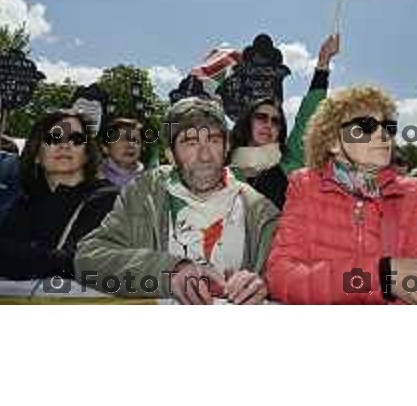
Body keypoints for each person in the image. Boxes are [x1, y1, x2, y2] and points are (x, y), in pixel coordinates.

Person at [75, 97, 279, 305]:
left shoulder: (261, 212)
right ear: (171, 155)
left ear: (226, 149)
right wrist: (168, 272)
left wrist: (264, 286)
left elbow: (284, 277)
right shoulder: (144, 195)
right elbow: (88, 260)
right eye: (191, 142)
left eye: (214, 140)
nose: (205, 156)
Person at [266, 86, 417, 305]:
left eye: (388, 127)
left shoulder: (415, 194)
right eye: (366, 126)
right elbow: (281, 278)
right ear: (333, 142)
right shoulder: (304, 186)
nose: (382, 134)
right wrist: (378, 275)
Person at [0, 110, 118, 280]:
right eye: (53, 138)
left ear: (86, 154)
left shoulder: (109, 199)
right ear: (36, 155)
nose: (65, 145)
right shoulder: (24, 202)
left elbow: (78, 262)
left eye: (76, 139)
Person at [228, 34, 340, 209]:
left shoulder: (290, 162)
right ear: (246, 122)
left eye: (275, 121)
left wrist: (323, 63)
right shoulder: (224, 173)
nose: (269, 125)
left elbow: (308, 116)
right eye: (261, 117)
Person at [100, 117, 144, 188]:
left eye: (135, 140)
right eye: (123, 139)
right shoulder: (94, 179)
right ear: (106, 148)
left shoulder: (151, 180)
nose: (131, 145)